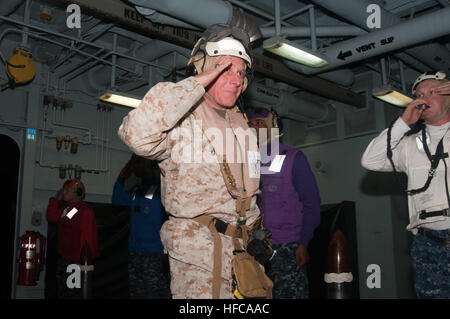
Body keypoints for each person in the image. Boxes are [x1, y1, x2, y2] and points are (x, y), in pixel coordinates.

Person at [117, 24, 262, 299]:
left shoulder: (242, 127)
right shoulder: (181, 122)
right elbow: (136, 135)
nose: (235, 79)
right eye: (226, 69)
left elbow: (250, 192)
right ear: (205, 68)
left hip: (242, 254)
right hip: (198, 257)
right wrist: (199, 80)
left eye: (241, 73)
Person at [361, 71, 450, 298]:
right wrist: (402, 124)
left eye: (433, 92)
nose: (424, 99)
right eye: (420, 95)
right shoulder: (410, 145)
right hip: (427, 243)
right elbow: (370, 160)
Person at [248, 107, 321, 299]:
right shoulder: (247, 162)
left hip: (288, 247)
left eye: (259, 123)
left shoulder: (293, 158)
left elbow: (312, 204)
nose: (253, 128)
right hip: (256, 247)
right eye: (250, 124)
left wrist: (303, 243)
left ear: (272, 127)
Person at [112, 153, 170, 299]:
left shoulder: (163, 187)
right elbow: (118, 200)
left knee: (155, 294)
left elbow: (169, 220)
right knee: (137, 293)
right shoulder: (137, 189)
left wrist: (166, 253)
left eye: (138, 161)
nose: (134, 165)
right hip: (135, 253)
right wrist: (121, 178)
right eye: (133, 161)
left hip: (155, 255)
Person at [46, 179, 99, 299]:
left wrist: (81, 265)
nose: (64, 192)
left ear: (78, 192)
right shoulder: (68, 209)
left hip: (75, 263)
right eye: (63, 190)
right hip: (64, 261)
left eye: (67, 190)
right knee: (63, 293)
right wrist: (55, 199)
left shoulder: (85, 211)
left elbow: (87, 240)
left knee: (72, 294)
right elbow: (52, 217)